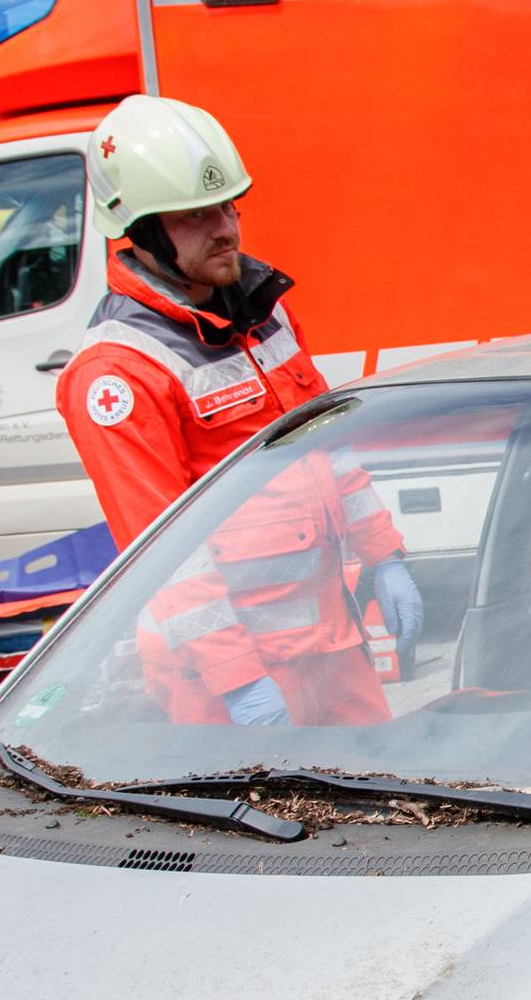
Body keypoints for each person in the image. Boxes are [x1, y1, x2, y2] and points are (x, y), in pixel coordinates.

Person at [57, 95, 420, 727]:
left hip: (330, 649)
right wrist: (239, 682)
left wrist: (384, 555)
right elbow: (162, 552)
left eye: (228, 205)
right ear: (142, 232)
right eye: (195, 216)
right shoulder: (119, 371)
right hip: (224, 679)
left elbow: (328, 449)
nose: (225, 227)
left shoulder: (265, 315)